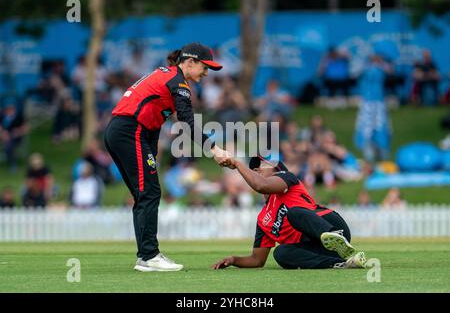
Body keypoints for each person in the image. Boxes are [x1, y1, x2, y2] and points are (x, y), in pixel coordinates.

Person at [104, 42, 231, 272]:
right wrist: (214, 150)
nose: (206, 73)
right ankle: (149, 256)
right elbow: (187, 123)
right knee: (149, 192)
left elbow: (153, 121)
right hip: (129, 131)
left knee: (145, 193)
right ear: (190, 62)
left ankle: (147, 255)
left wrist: (152, 154)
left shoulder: (167, 75)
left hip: (125, 131)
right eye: (204, 67)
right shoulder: (178, 83)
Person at [212, 155, 367, 270]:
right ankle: (341, 263)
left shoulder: (287, 178)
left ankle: (336, 239)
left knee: (293, 213)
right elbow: (257, 260)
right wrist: (233, 260)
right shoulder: (263, 219)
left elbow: (261, 186)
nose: (256, 169)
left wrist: (238, 163)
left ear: (278, 170)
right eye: (254, 169)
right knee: (281, 253)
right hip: (316, 248)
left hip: (330, 224)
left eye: (262, 165)